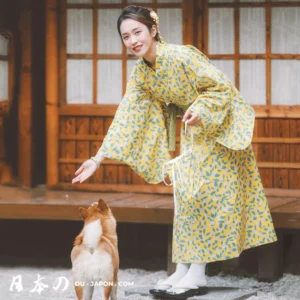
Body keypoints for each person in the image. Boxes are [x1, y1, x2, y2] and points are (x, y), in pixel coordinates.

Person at [72, 5, 278, 299]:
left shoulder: (183, 55)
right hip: (194, 133)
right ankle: (184, 268)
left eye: (138, 32)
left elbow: (221, 87)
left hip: (220, 128)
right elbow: (127, 116)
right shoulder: (143, 73)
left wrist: (200, 110)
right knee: (186, 198)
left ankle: (197, 272)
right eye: (126, 36)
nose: (132, 41)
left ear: (153, 30)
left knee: (202, 198)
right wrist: (97, 159)